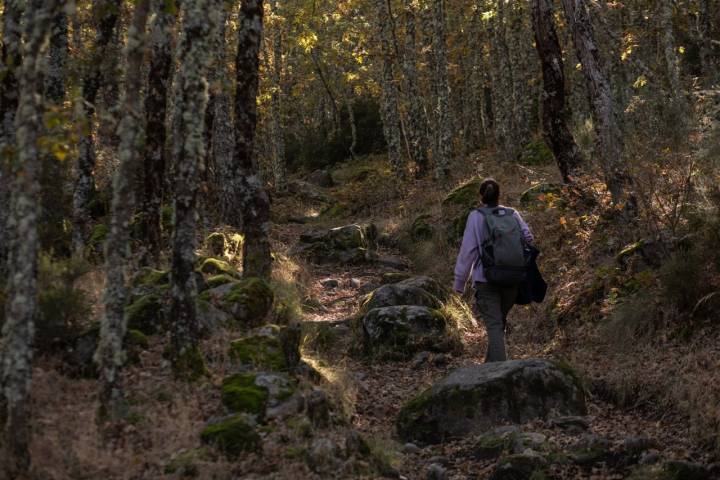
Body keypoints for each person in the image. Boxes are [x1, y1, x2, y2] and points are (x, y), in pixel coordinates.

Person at [453, 178, 534, 362]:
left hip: (486, 279)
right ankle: (490, 367)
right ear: (499, 195)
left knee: (495, 325)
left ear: (481, 197)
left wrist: (459, 284)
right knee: (498, 323)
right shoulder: (512, 214)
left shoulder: (476, 216)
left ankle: (498, 374)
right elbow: (528, 237)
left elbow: (468, 251)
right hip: (513, 276)